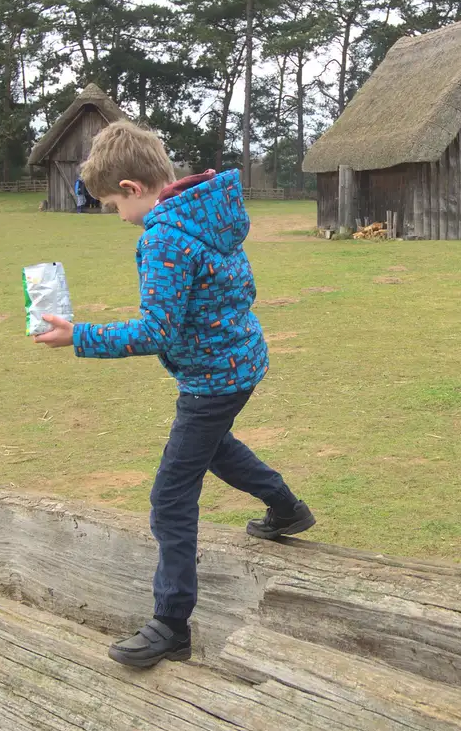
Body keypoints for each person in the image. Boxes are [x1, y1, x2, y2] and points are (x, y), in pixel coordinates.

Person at [33, 121, 315, 669]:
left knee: (170, 498)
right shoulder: (209, 210)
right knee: (215, 450)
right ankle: (286, 509)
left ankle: (171, 623)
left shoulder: (163, 236)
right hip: (241, 360)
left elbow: (156, 330)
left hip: (212, 379)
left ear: (134, 189)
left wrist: (79, 336)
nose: (118, 216)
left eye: (113, 204)